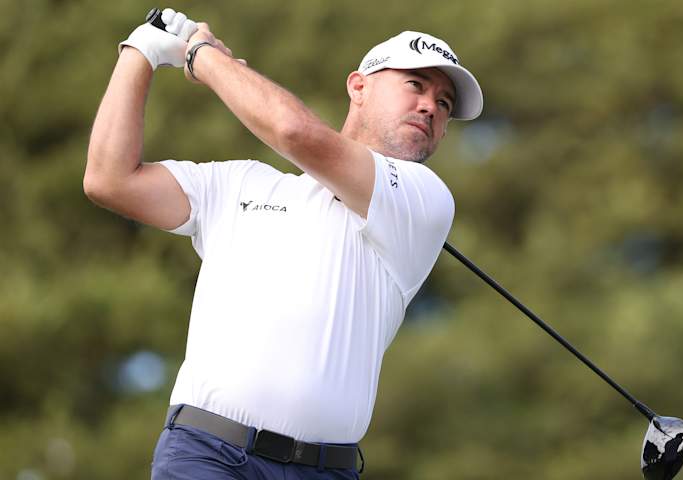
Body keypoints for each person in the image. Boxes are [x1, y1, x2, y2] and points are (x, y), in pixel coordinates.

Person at [84, 7, 483, 480]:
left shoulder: (424, 200)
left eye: (444, 104)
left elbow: (296, 133)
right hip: (207, 455)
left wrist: (202, 55)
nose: (430, 107)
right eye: (416, 86)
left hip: (324, 470)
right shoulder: (238, 184)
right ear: (359, 86)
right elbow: (109, 180)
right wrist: (141, 51)